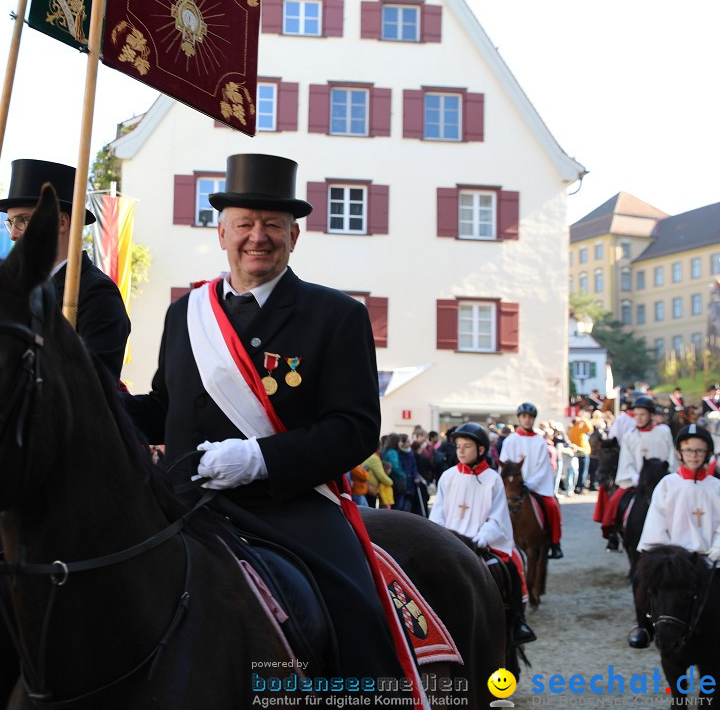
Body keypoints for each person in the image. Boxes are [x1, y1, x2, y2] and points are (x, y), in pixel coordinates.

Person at [123, 153, 414, 692]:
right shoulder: (185, 314)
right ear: (222, 232)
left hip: (290, 506)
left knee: (355, 608)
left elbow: (353, 428)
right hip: (184, 501)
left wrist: (258, 459)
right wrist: (101, 403)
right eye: (245, 224)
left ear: (294, 236)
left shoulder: (337, 316)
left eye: (272, 226)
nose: (258, 237)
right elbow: (166, 407)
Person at [0, 159, 131, 381]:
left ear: (61, 222)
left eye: (22, 220)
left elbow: (91, 385)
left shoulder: (96, 292)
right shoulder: (19, 287)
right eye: (10, 223)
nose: (13, 234)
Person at [428, 423, 534, 644]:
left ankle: (517, 620)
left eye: (467, 446)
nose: (461, 451)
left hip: (481, 542)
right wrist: (441, 536)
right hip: (449, 541)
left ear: (482, 450)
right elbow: (437, 513)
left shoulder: (493, 479)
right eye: (458, 446)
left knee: (512, 566)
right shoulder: (448, 476)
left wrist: (481, 538)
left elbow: (497, 518)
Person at [629, 424, 720, 648]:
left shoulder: (717, 487)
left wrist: (716, 551)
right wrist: (663, 555)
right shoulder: (667, 485)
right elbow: (657, 521)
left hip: (711, 556)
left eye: (699, 451)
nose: (694, 456)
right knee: (639, 579)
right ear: (679, 452)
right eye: (689, 450)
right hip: (674, 559)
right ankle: (644, 627)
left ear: (707, 453)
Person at [601, 395, 678, 551]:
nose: (639, 418)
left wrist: (668, 476)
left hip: (662, 480)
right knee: (616, 501)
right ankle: (613, 534)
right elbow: (626, 460)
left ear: (650, 415)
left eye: (642, 414)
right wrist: (634, 476)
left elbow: (670, 456)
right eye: (636, 415)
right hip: (636, 481)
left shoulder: (663, 431)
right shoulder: (630, 436)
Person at [499, 402, 564, 558]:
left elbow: (543, 468)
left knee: (552, 506)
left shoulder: (540, 442)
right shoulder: (510, 441)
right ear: (519, 419)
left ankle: (555, 543)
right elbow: (504, 464)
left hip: (535, 486)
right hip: (513, 486)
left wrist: (530, 484)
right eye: (524, 416)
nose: (527, 420)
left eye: (530, 417)